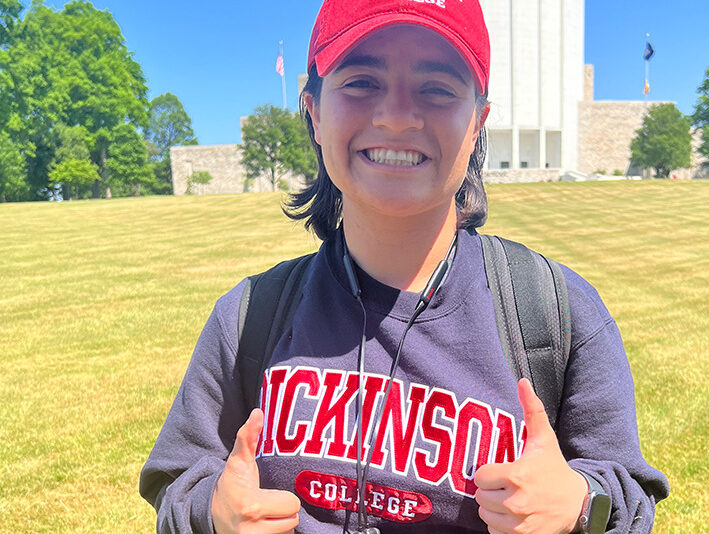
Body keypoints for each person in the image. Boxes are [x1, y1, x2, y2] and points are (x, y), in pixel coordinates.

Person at [140, 1, 669, 533]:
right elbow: (177, 481)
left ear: (478, 121)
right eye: (361, 82)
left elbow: (627, 497)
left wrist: (579, 503)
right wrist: (215, 512)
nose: (396, 116)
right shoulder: (249, 316)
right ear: (315, 113)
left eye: (436, 88)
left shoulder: (556, 312)